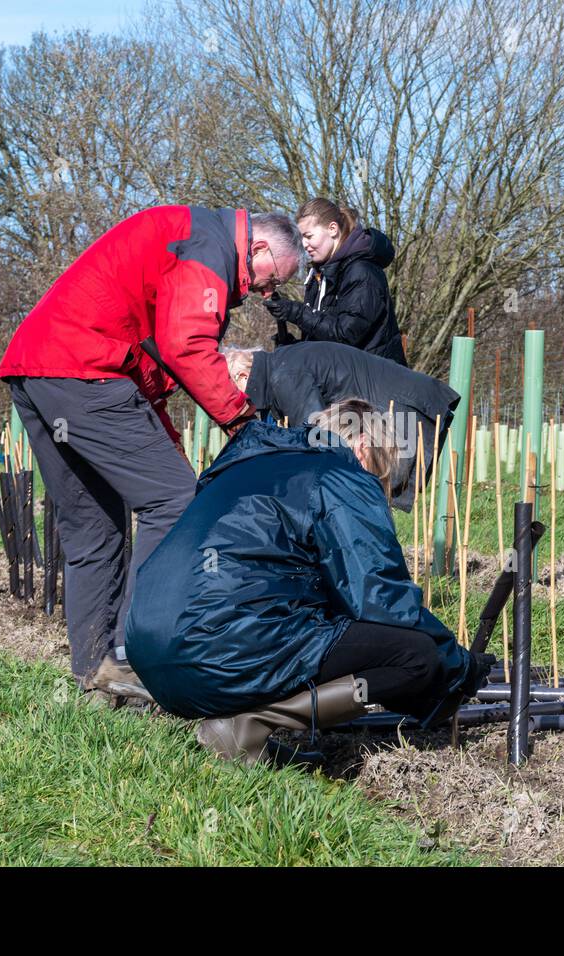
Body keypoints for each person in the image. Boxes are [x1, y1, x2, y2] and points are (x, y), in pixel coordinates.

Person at [0, 205, 302, 698]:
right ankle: (132, 656)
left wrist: (173, 445)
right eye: (271, 281)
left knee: (94, 526)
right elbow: (186, 346)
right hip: (85, 369)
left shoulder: (188, 236)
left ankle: (96, 678)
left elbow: (149, 375)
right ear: (260, 248)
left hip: (40, 369)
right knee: (177, 501)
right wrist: (243, 424)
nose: (265, 294)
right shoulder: (210, 245)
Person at [124, 399, 494, 766]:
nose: (380, 487)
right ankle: (250, 724)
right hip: (217, 650)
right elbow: (380, 598)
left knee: (316, 634)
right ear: (363, 447)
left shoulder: (246, 465)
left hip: (152, 656)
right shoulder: (338, 475)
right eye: (381, 473)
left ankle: (247, 732)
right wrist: (455, 663)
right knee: (416, 658)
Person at [223, 341, 458, 511]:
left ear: (244, 376)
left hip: (399, 410)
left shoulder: (285, 376)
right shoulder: (282, 364)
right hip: (392, 407)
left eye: (231, 394)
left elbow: (317, 439)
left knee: (368, 490)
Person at [265, 198, 407, 365]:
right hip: (345, 378)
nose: (304, 244)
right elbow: (324, 337)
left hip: (371, 383)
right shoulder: (319, 274)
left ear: (332, 229)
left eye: (308, 236)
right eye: (302, 237)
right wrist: (294, 347)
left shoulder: (361, 272)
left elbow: (346, 335)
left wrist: (296, 312)